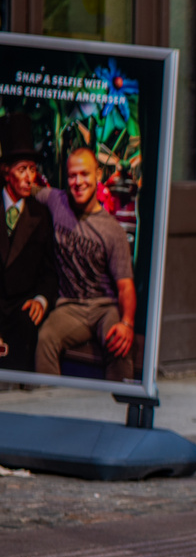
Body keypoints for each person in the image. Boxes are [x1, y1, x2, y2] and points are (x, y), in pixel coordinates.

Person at [33, 148, 136, 381]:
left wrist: (127, 323)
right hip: (70, 307)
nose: (78, 182)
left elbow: (125, 286)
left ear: (97, 175)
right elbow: (26, 188)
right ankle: (47, 406)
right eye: (72, 175)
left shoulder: (112, 231)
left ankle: (120, 408)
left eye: (84, 174)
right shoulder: (56, 201)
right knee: (46, 338)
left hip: (104, 306)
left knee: (119, 343)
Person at [1, 146, 57, 372]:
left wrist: (41, 299)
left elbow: (50, 270)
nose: (29, 177)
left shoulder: (41, 215)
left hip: (19, 309)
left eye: (32, 169)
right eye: (22, 169)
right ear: (6, 173)